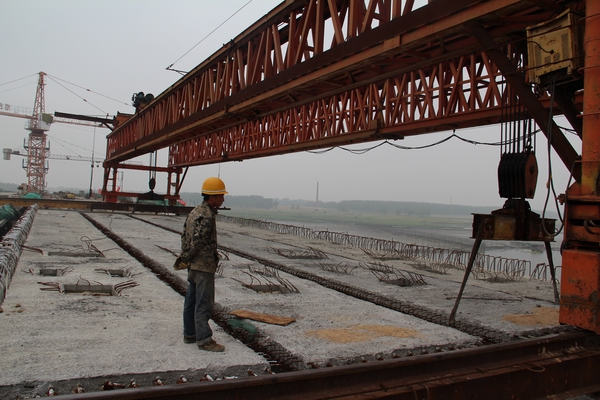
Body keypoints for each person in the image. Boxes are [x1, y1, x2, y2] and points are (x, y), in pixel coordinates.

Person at [180, 176, 227, 352]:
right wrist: (191, 256)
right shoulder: (207, 216)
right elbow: (198, 242)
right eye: (221, 196)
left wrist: (186, 257)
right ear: (212, 197)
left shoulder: (195, 212)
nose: (223, 199)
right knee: (203, 303)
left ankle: (190, 333)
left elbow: (184, 235)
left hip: (194, 265)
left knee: (191, 301)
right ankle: (204, 339)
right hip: (203, 266)